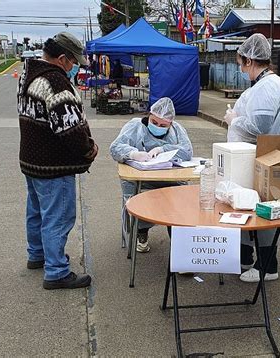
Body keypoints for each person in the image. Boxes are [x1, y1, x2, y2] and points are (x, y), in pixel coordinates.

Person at [223, 33, 280, 283]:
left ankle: (267, 266)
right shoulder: (264, 85)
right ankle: (244, 258)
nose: (241, 68)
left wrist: (235, 120)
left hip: (272, 160)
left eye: (241, 62)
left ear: (250, 60)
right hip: (263, 157)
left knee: (263, 209)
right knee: (246, 206)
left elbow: (259, 126)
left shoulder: (269, 86)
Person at [17, 32, 98, 290]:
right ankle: (56, 271)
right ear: (63, 58)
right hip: (54, 164)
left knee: (37, 211)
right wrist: (89, 150)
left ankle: (37, 254)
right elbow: (70, 129)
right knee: (58, 217)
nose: (75, 67)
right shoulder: (56, 82)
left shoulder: (28, 75)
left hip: (31, 160)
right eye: (74, 62)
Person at [110, 97, 193, 253]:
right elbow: (115, 147)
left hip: (170, 179)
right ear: (149, 116)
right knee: (138, 201)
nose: (158, 127)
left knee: (180, 203)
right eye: (154, 122)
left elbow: (187, 151)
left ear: (171, 124)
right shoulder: (135, 126)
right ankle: (141, 232)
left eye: (163, 125)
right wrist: (133, 153)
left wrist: (163, 149)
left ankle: (181, 248)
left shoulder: (177, 130)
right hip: (140, 178)